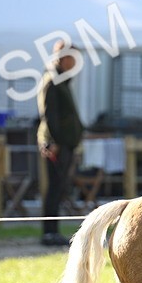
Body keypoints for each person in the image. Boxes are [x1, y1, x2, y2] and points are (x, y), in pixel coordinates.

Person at [37, 40, 84, 247]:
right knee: (54, 188)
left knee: (59, 187)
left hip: (66, 143)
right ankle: (49, 233)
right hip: (56, 144)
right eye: (73, 59)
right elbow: (50, 114)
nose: (75, 64)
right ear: (63, 58)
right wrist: (54, 141)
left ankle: (53, 231)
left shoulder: (62, 79)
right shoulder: (52, 79)